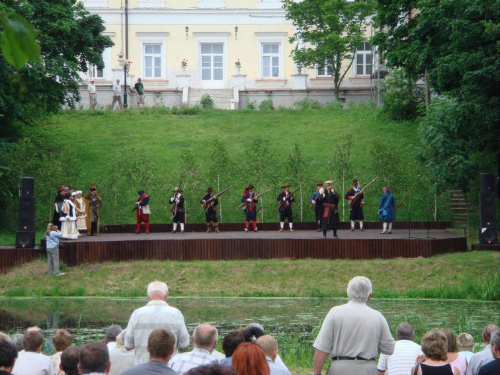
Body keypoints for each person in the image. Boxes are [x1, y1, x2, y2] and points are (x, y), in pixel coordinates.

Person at [313, 276, 395, 375]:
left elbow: (322, 348)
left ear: (348, 293)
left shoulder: (335, 312)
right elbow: (389, 349)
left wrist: (316, 373)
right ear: (369, 296)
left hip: (339, 369)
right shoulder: (378, 316)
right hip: (368, 369)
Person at [124, 281, 190, 365]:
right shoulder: (175, 314)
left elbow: (128, 346)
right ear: (166, 295)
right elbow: (185, 345)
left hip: (142, 369)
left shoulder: (137, 314)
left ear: (148, 296)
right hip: (168, 369)